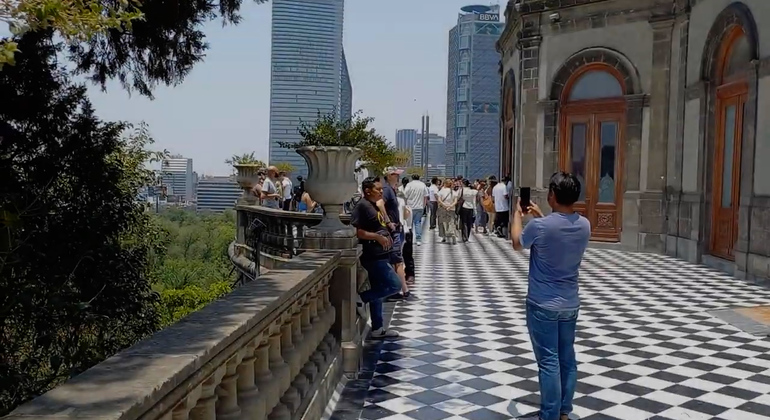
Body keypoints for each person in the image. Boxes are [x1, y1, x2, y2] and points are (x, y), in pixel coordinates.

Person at [510, 172, 590, 420]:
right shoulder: (584, 224)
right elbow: (559, 234)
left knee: (549, 361)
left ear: (552, 195)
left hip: (542, 303)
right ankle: (564, 411)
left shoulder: (539, 226)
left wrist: (517, 214)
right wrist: (540, 216)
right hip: (570, 303)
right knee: (567, 358)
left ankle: (550, 414)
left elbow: (517, 243)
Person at [351, 176, 402, 339]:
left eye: (382, 189)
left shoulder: (374, 205)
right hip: (372, 255)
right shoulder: (362, 206)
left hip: (382, 253)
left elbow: (382, 223)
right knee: (394, 285)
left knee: (379, 292)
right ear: (367, 191)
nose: (381, 192)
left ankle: (377, 328)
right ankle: (361, 298)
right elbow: (356, 231)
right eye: (378, 189)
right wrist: (377, 237)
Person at [378, 167, 412, 301]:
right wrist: (388, 222)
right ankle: (403, 289)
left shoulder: (390, 189)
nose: (397, 177)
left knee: (395, 259)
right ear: (388, 175)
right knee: (397, 259)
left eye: (398, 175)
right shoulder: (387, 189)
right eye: (395, 175)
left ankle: (400, 288)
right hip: (392, 231)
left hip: (394, 230)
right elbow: (380, 203)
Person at [403, 174, 429, 246]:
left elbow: (405, 195)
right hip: (420, 206)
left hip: (410, 206)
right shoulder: (422, 185)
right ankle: (418, 240)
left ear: (412, 178)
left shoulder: (409, 185)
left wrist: (405, 205)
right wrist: (424, 205)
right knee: (418, 223)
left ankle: (409, 239)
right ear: (419, 178)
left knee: (409, 224)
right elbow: (426, 196)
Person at [436, 178, 458, 244]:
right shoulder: (453, 192)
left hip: (443, 209)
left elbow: (439, 200)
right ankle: (453, 236)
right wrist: (450, 206)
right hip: (451, 209)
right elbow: (455, 201)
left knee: (442, 223)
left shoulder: (441, 191)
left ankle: (444, 237)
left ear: (445, 184)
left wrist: (445, 206)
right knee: (452, 223)